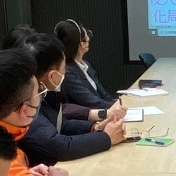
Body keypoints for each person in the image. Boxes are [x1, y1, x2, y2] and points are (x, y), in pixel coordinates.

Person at [19, 32, 125, 165]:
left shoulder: (44, 93)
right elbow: (60, 147)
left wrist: (95, 127)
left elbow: (59, 124)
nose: (65, 72)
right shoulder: (26, 103)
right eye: (64, 68)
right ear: (52, 76)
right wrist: (106, 137)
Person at [4, 24, 124, 126]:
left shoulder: (42, 91)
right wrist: (104, 132)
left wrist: (95, 127)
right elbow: (55, 139)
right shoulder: (23, 101)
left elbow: (61, 121)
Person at [56, 19, 118, 112]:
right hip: (91, 117)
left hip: (105, 112)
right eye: (87, 35)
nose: (89, 39)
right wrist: (118, 108)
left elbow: (105, 96)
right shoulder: (68, 72)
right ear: (81, 44)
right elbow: (92, 103)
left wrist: (119, 104)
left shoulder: (85, 65)